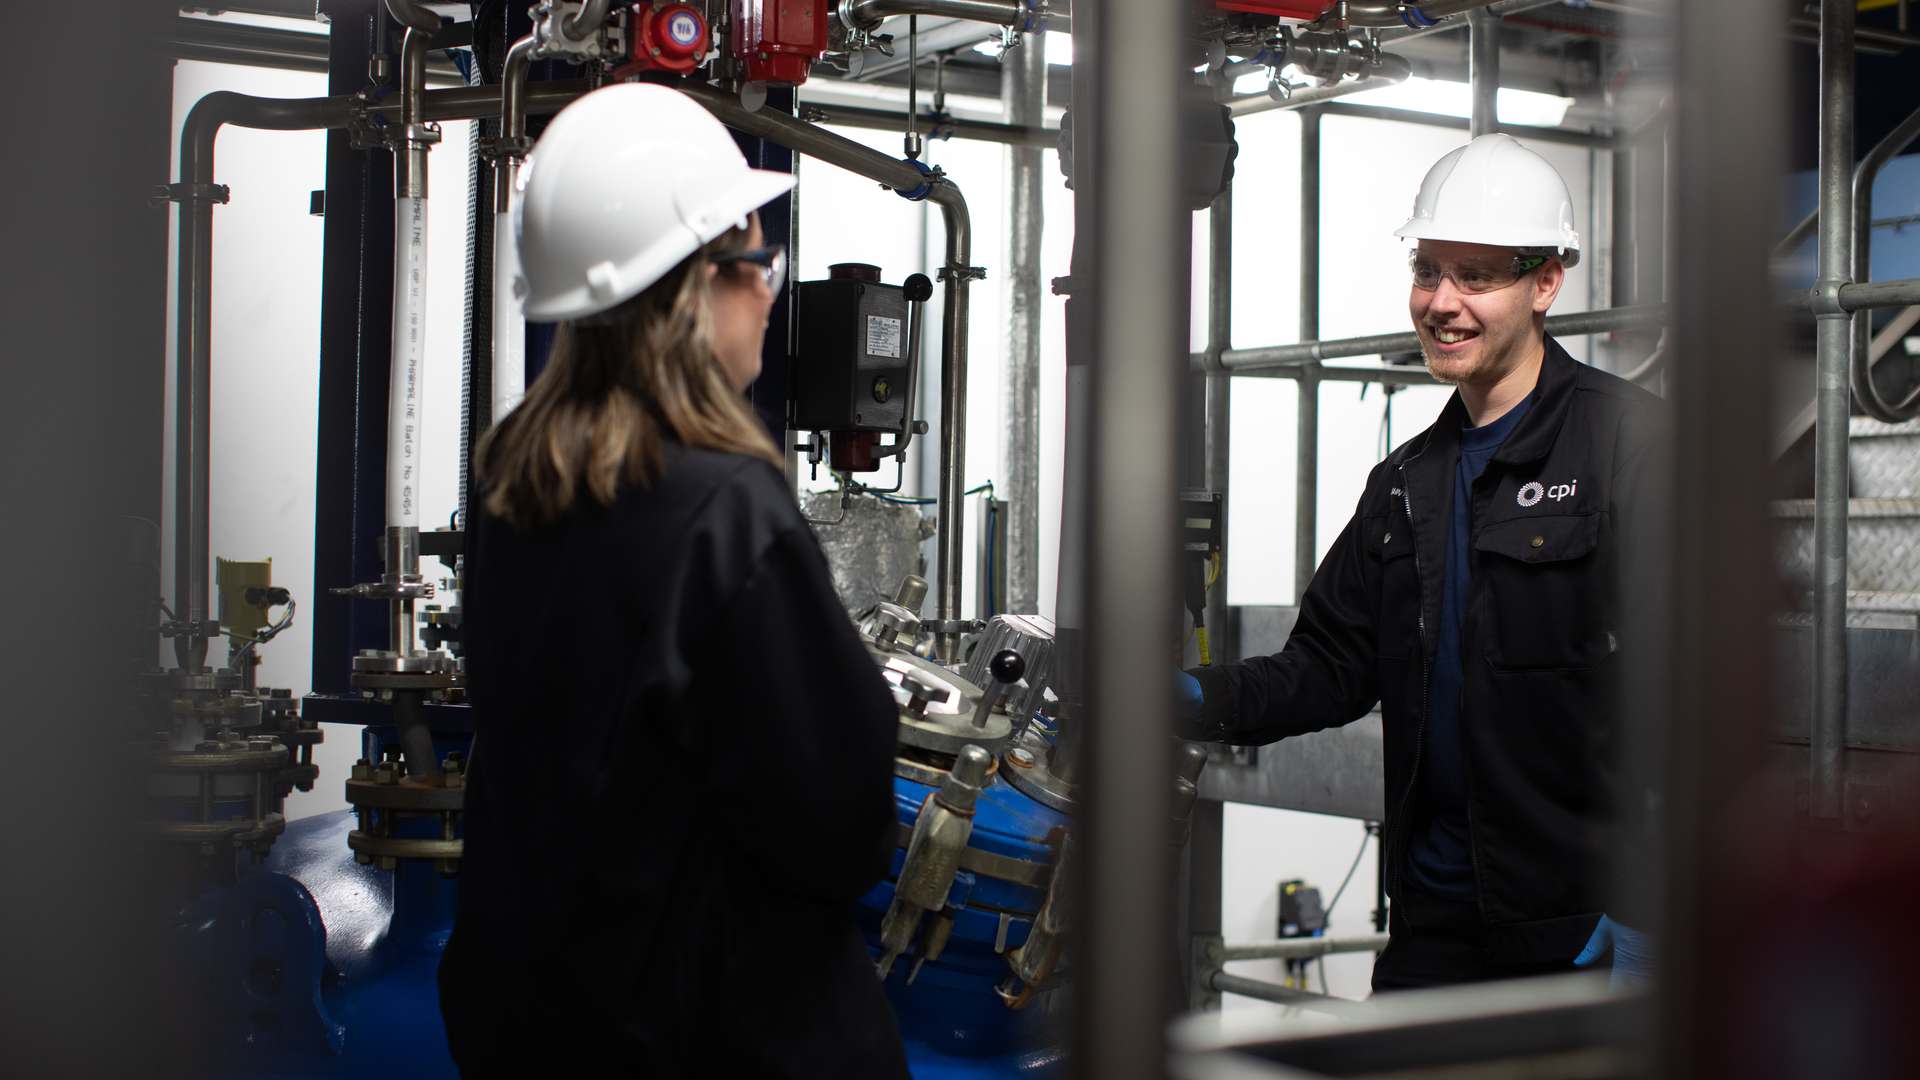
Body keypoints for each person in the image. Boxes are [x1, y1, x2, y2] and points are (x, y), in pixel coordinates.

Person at [439, 84, 909, 1077]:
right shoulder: (725, 507)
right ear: (689, 286)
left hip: (547, 1026)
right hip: (727, 1035)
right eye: (752, 260)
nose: (771, 289)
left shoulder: (515, 489)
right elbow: (841, 815)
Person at [1178, 133, 1663, 992]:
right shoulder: (1408, 481)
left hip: (1578, 927)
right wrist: (1191, 699)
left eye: (1477, 277)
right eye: (1428, 270)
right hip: (1435, 919)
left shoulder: (1631, 444)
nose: (1443, 303)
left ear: (1547, 281)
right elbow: (1330, 665)